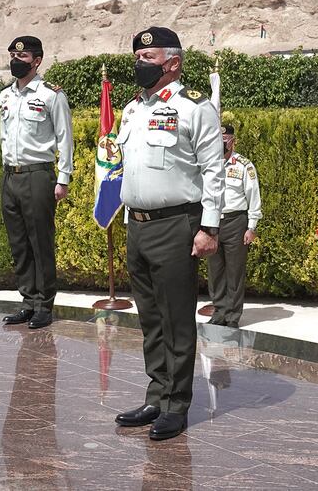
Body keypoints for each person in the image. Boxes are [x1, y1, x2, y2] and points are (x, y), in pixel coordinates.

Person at [113, 27, 225, 440]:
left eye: (149, 58)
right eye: (138, 57)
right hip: (137, 226)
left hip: (178, 225)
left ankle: (177, 405)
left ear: (173, 63)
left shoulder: (195, 108)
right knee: (151, 320)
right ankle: (156, 394)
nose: (140, 64)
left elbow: (214, 171)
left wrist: (209, 226)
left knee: (177, 319)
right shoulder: (132, 110)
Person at [0, 35, 73, 330]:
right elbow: (5, 136)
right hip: (11, 176)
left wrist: (63, 178)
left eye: (23, 57)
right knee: (18, 243)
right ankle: (27, 301)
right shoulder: (6, 95)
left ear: (37, 61)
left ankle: (44, 305)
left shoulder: (51, 95)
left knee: (40, 242)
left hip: (38, 175)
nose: (16, 61)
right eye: (13, 57)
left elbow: (65, 138)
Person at [206, 125, 262, 328]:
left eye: (225, 139)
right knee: (215, 270)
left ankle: (233, 316)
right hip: (213, 222)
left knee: (235, 271)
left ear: (233, 141)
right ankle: (219, 311)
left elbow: (253, 196)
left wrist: (252, 226)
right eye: (218, 139)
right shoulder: (208, 163)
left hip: (235, 222)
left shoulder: (244, 166)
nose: (221, 143)